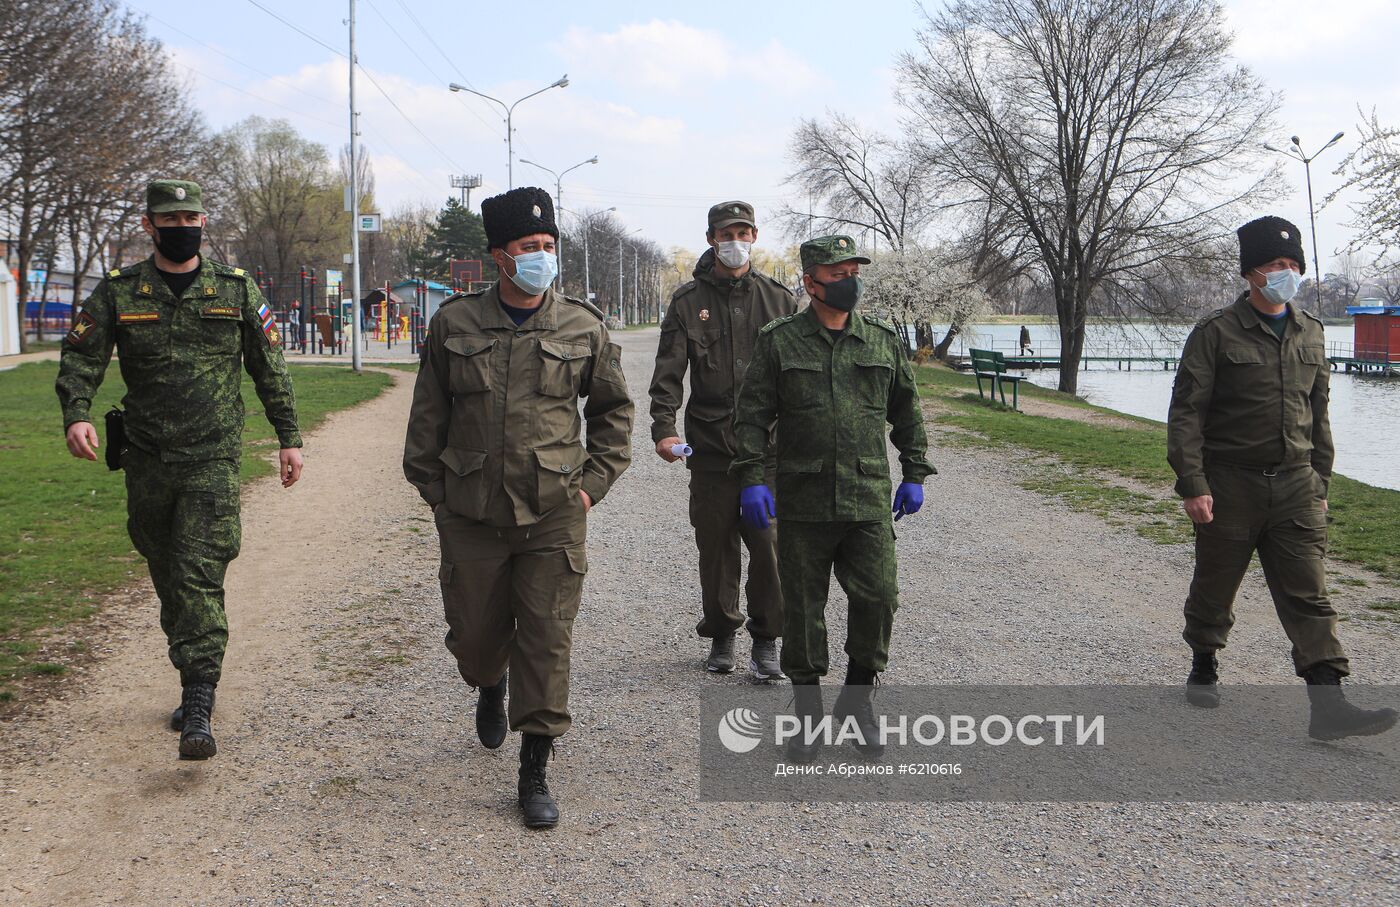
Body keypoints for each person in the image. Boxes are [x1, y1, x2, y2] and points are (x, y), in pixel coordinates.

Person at [403, 187, 634, 828]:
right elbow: (429, 416)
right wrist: (438, 496)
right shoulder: (455, 323)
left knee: (547, 638)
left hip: (555, 510)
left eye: (548, 247)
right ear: (500, 257)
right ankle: (487, 682)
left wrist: (592, 485)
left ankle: (534, 769)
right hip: (472, 511)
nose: (542, 257)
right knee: (477, 638)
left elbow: (613, 412)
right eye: (529, 248)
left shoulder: (581, 325)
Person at [55, 179, 303, 760]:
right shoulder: (119, 291)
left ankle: (199, 696)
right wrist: (76, 413)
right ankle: (192, 665)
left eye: (191, 216)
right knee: (164, 565)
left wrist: (288, 437)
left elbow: (270, 367)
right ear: (150, 225)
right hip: (145, 458)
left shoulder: (235, 289)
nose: (182, 225)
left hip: (212, 458)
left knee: (198, 570)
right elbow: (82, 354)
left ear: (203, 221)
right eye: (170, 218)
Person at [1167, 215, 1395, 740]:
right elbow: (1187, 414)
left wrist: (1320, 486)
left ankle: (1328, 704)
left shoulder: (1311, 332)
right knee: (1216, 583)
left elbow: (1319, 418)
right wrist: (1194, 483)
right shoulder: (1216, 332)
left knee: (1309, 594)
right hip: (1230, 484)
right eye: (1276, 265)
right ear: (1252, 273)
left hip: (1295, 484)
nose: (1286, 273)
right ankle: (1204, 662)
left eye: (1293, 265)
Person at [731, 234, 934, 761]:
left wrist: (915, 471)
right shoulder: (780, 341)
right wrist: (751, 478)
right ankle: (806, 711)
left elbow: (907, 410)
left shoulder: (882, 340)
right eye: (839, 274)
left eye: (853, 272)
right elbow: (751, 416)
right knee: (802, 609)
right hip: (803, 498)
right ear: (811, 283)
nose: (850, 283)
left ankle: (858, 699)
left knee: (879, 597)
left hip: (868, 497)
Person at [648, 201, 796, 680]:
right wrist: (664, 430)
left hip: (768, 453)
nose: (736, 240)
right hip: (710, 451)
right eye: (726, 232)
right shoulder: (688, 301)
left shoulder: (780, 300)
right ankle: (722, 633)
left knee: (770, 549)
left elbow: (799, 377)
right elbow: (668, 373)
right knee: (716, 549)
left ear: (755, 235)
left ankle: (768, 640)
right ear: (711, 238)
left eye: (744, 231)